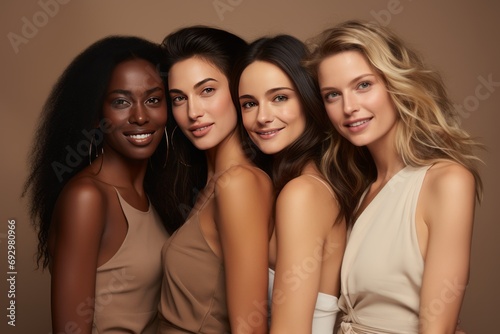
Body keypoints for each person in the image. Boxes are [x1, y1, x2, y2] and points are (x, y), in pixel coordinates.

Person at [305, 20, 483, 333]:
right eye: (332, 95)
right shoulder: (358, 189)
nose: (349, 107)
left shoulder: (447, 181)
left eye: (363, 85)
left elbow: (437, 329)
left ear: (394, 84)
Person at [22, 36, 171, 333]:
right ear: (95, 115)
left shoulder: (155, 194)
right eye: (121, 102)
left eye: (153, 99)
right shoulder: (87, 197)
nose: (140, 116)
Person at [157, 26, 273, 333]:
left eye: (207, 90)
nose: (192, 112)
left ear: (238, 90)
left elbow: (249, 326)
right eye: (178, 98)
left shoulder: (239, 184)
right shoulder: (212, 181)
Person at [234, 34, 347, 334]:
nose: (262, 117)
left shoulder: (303, 194)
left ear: (309, 100)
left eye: (279, 98)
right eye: (248, 104)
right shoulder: (298, 185)